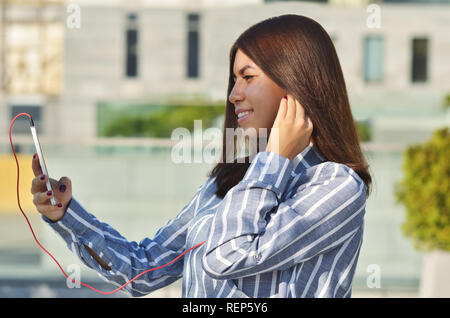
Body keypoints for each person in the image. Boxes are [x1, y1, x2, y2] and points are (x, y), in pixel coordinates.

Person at [31, 14, 372, 298]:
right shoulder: (235, 178)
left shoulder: (337, 187)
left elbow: (230, 255)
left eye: (248, 78)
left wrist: (273, 162)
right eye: (233, 80)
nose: (233, 95)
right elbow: (145, 268)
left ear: (295, 84)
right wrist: (67, 216)